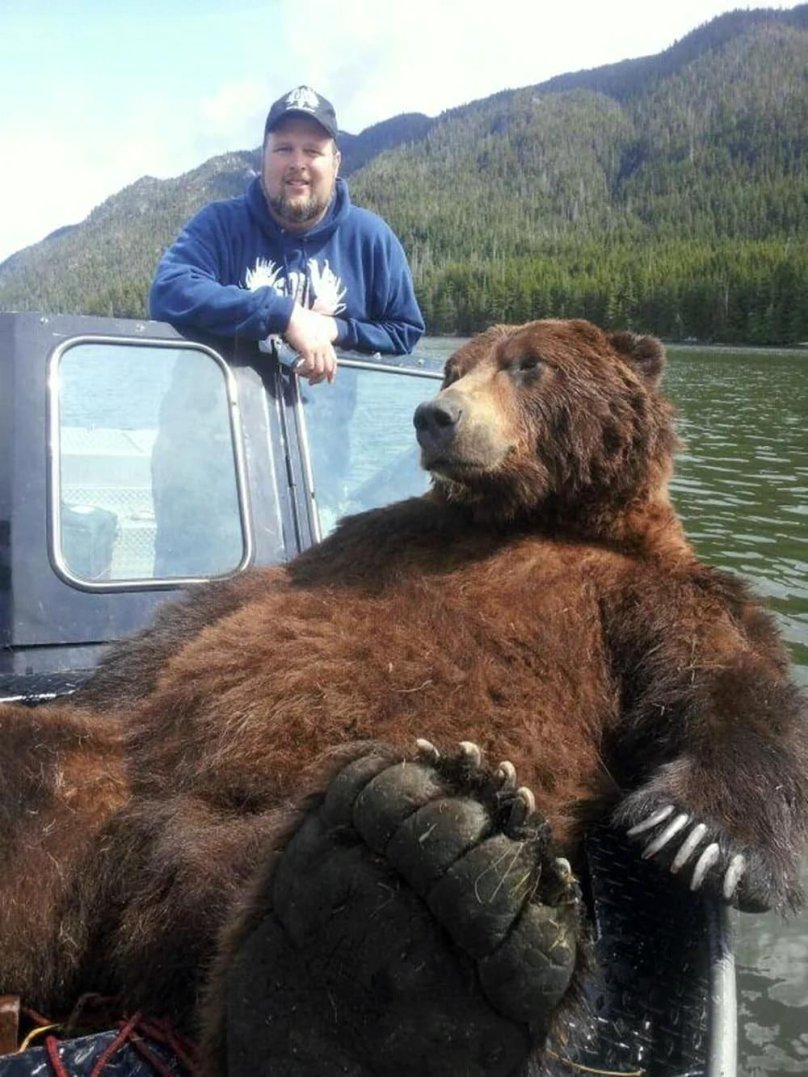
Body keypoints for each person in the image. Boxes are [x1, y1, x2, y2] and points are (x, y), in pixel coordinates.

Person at [150, 85, 425, 383]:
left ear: (335, 163)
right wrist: (286, 315)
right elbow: (168, 290)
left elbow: (405, 331)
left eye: (312, 151)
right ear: (263, 160)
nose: (297, 163)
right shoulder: (218, 224)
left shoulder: (371, 240)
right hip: (213, 425)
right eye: (283, 149)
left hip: (320, 428)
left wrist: (336, 329)